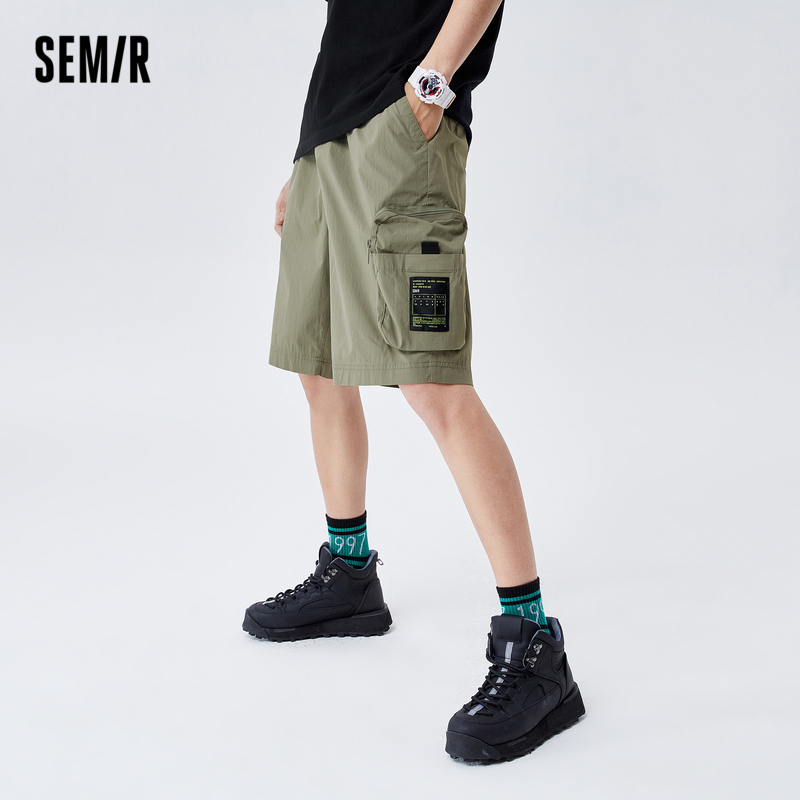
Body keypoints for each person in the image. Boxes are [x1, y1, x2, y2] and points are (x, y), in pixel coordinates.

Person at [243, 0, 585, 763]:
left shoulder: (424, 99)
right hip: (330, 140)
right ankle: (349, 572)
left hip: (405, 132)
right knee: (318, 364)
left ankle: (536, 646)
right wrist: (308, 156)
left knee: (434, 385)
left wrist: (432, 85)